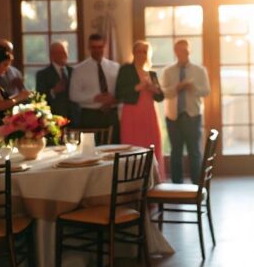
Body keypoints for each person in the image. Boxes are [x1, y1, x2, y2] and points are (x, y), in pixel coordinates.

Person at [161, 39, 211, 184]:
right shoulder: (168, 71)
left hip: (192, 116)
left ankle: (197, 186)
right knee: (175, 153)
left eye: (185, 50)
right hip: (173, 117)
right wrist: (176, 88)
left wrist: (193, 88)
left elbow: (206, 92)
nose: (183, 53)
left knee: (194, 153)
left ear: (189, 51)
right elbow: (164, 93)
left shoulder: (199, 70)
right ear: (175, 52)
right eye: (179, 50)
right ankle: (176, 186)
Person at [116, 40, 165, 174]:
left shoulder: (152, 74)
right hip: (132, 114)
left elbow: (161, 97)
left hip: (149, 115)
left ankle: (154, 177)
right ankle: (132, 178)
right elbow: (119, 92)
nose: (142, 54)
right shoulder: (126, 70)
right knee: (132, 146)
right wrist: (138, 87)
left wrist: (154, 90)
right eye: (139, 51)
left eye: (144, 51)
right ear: (133, 53)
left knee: (152, 146)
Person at [69, 33, 120, 143]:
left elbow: (120, 91)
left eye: (100, 47)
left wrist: (112, 100)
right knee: (91, 151)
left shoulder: (115, 67)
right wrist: (95, 98)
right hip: (90, 117)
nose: (97, 50)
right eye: (94, 47)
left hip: (111, 114)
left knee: (114, 149)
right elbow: (73, 95)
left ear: (104, 46)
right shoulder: (79, 69)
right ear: (89, 47)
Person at [35, 41, 74, 119]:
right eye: (59, 52)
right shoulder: (43, 74)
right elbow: (39, 98)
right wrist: (53, 91)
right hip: (54, 116)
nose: (63, 55)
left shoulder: (73, 71)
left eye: (64, 52)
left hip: (74, 115)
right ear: (51, 55)